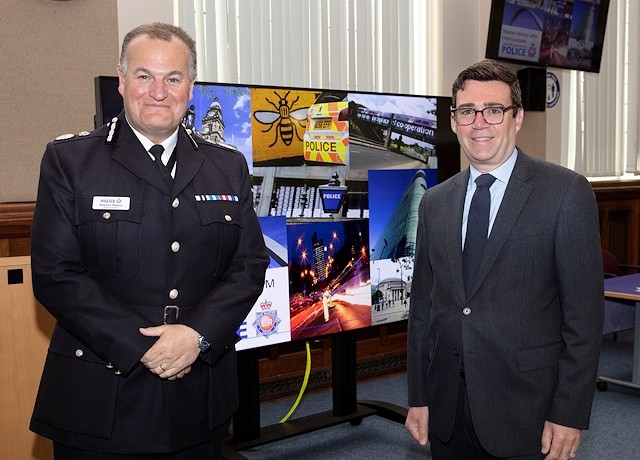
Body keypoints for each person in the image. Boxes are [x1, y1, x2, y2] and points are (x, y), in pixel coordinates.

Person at [29, 22, 269, 459]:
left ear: (190, 87)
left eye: (172, 78)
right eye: (144, 76)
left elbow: (248, 266)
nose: (158, 91)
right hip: (101, 398)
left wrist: (196, 336)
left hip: (199, 396)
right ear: (121, 81)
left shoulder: (227, 166)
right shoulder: (71, 161)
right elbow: (56, 275)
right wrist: (147, 347)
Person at [405, 59, 603, 460]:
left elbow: (583, 319)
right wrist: (419, 396)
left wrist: (569, 412)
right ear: (454, 121)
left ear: (516, 117)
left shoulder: (565, 194)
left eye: (493, 110)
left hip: (525, 410)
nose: (479, 123)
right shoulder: (434, 202)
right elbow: (423, 310)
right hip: (447, 407)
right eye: (467, 112)